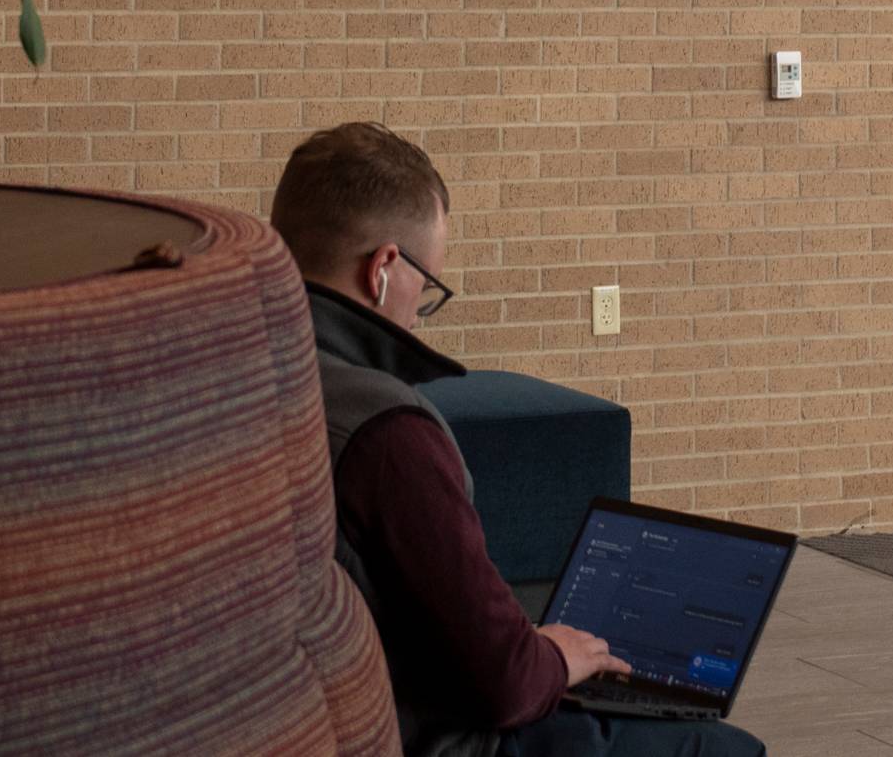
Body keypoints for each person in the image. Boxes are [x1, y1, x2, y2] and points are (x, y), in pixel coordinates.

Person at [269, 122, 768, 757]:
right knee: (724, 747)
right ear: (385, 270)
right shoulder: (387, 433)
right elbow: (503, 686)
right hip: (417, 730)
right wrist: (552, 657)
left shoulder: (227, 379)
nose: (420, 312)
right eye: (429, 291)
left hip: (293, 710)